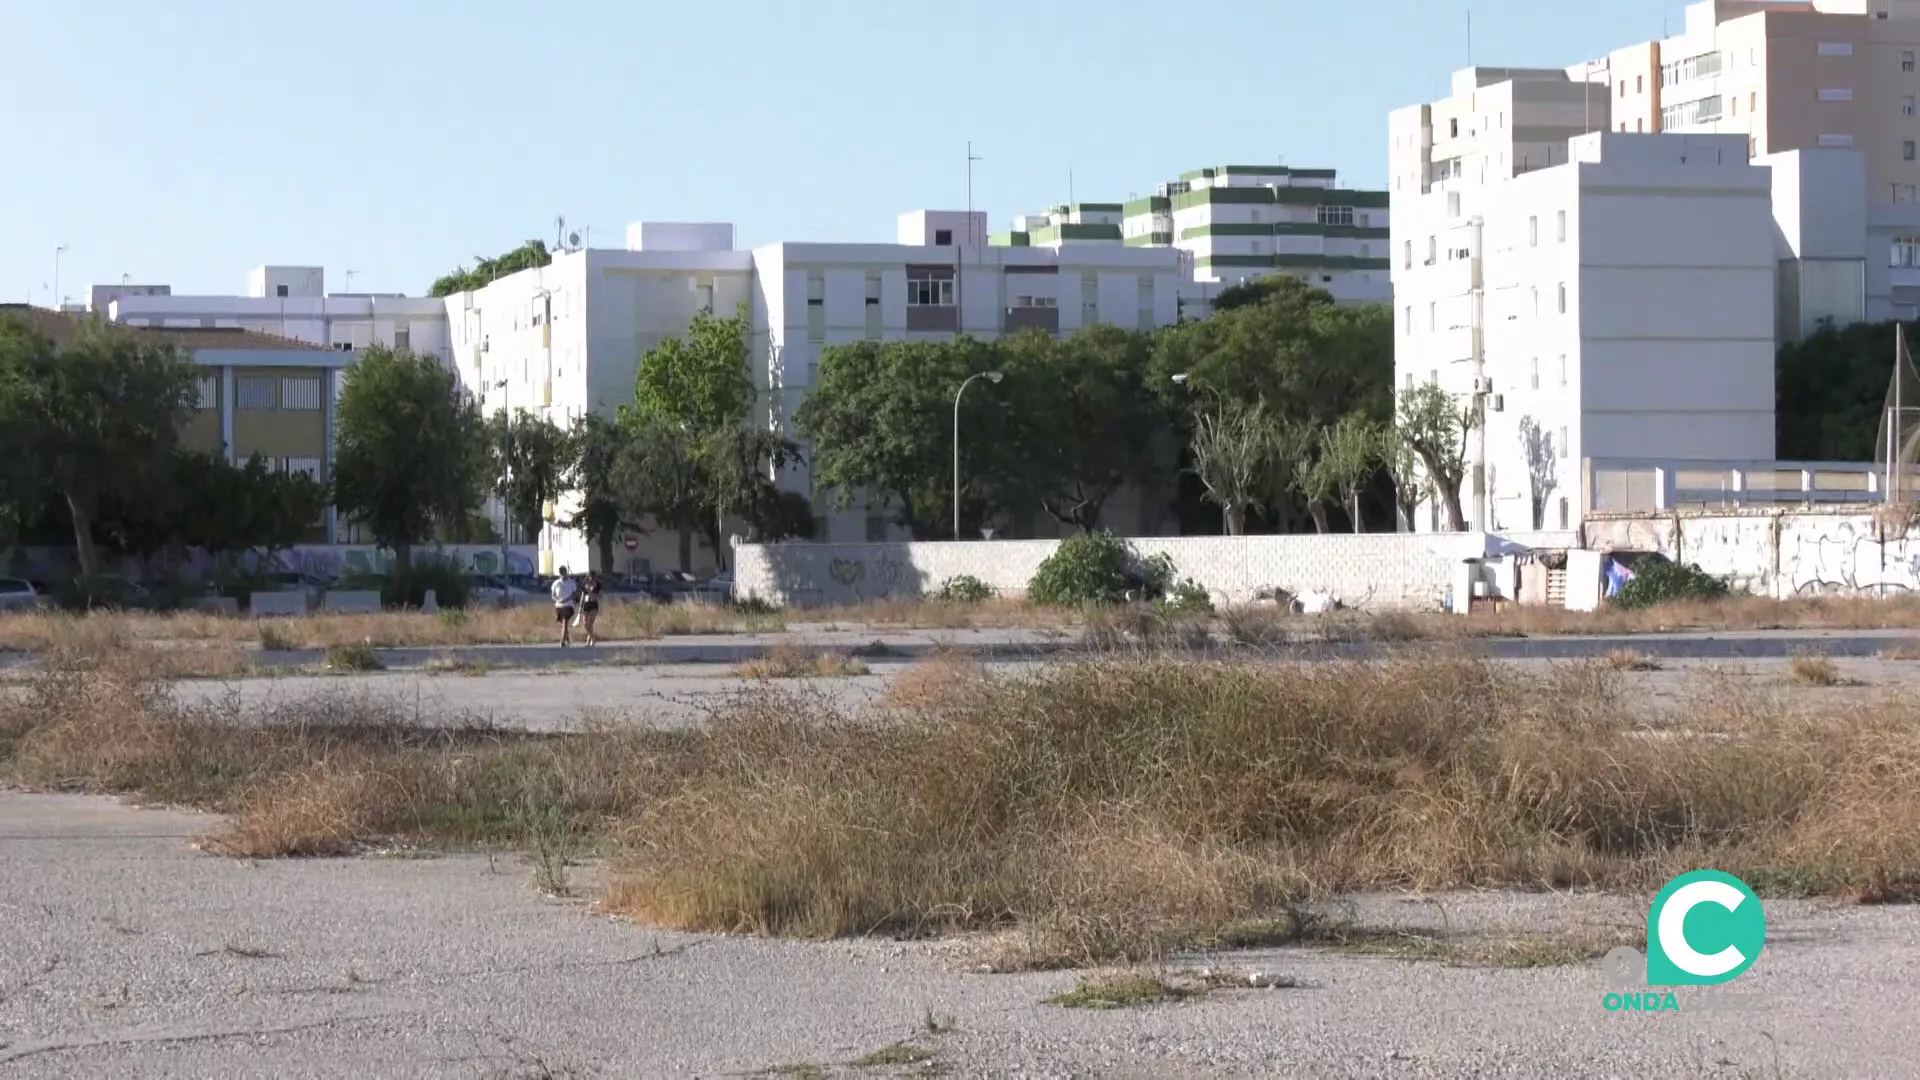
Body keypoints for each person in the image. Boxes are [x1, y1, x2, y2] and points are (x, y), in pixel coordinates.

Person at [550, 567, 579, 647]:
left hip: (569, 605)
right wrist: (558, 600)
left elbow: (574, 594)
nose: (563, 574)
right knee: (563, 624)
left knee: (565, 622)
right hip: (559, 606)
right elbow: (553, 595)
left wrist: (567, 599)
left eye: (564, 572)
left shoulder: (571, 582)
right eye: (561, 573)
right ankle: (567, 638)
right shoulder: (556, 583)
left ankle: (562, 641)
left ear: (566, 572)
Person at [579, 571, 603, 646]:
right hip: (586, 604)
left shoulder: (598, 585)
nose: (591, 578)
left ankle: (589, 641)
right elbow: (582, 596)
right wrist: (580, 606)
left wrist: (594, 593)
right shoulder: (584, 585)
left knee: (590, 624)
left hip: (593, 604)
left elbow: (601, 596)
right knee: (585, 625)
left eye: (593, 577)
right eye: (590, 577)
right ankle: (592, 638)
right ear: (588, 577)